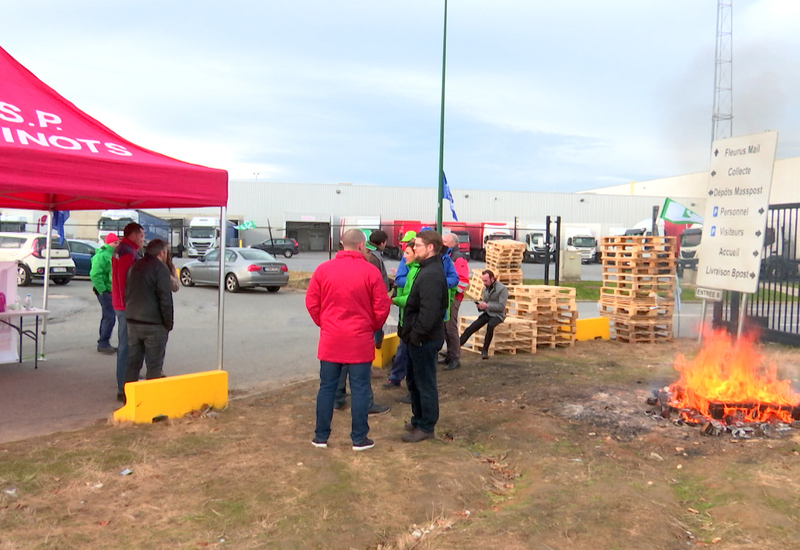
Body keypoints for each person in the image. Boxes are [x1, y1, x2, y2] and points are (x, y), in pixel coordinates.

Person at [306, 229, 392, 451]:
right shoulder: (370, 272)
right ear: (362, 245)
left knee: (326, 388)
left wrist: (324, 323)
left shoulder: (323, 270)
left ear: (341, 244)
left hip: (331, 338)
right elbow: (382, 306)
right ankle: (359, 438)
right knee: (360, 389)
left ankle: (320, 436)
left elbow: (312, 302)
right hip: (359, 340)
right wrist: (370, 326)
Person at [399, 229, 449, 443]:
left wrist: (416, 336)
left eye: (417, 245)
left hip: (424, 340)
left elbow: (429, 312)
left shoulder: (432, 274)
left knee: (424, 382)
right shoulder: (425, 269)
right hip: (416, 338)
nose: (413, 249)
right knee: (414, 380)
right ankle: (418, 419)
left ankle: (426, 426)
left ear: (430, 248)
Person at [123, 239, 174, 390]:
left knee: (133, 363)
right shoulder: (161, 269)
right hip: (153, 323)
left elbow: (127, 292)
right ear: (162, 253)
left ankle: (128, 399)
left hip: (133, 321)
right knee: (154, 366)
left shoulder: (135, 265)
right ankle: (151, 403)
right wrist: (168, 324)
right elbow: (165, 298)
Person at [112, 223, 144, 402]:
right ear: (133, 235)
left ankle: (126, 382)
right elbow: (124, 280)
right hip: (126, 306)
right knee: (126, 346)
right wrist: (130, 304)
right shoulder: (126, 252)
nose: (142, 240)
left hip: (123, 304)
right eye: (141, 236)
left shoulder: (123, 249)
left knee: (129, 345)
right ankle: (122, 386)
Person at [383, 239, 420, 390]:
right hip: (405, 317)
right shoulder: (409, 268)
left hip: (414, 320)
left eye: (407, 252)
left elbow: (413, 298)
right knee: (404, 349)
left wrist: (394, 300)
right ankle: (397, 378)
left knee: (411, 352)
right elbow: (400, 281)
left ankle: (409, 386)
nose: (404, 256)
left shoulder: (418, 271)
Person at [459, 269, 509, 360]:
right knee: (471, 328)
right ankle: (454, 348)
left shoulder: (502, 289)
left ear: (492, 279)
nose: (484, 283)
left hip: (498, 315)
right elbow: (485, 301)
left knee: (490, 326)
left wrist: (487, 306)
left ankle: (484, 350)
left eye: (486, 281)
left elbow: (501, 307)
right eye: (483, 281)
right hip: (488, 312)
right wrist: (480, 307)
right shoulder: (485, 288)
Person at [441, 233, 470, 370]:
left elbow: (463, 281)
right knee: (446, 327)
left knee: (450, 327)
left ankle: (455, 358)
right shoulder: (449, 256)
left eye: (444, 241)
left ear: (452, 243)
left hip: (453, 298)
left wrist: (453, 295)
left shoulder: (458, 258)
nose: (442, 243)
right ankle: (450, 355)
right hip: (447, 297)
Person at [90, 233, 120, 354]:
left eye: (118, 242)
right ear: (108, 243)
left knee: (110, 316)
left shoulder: (114, 254)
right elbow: (95, 274)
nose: (117, 245)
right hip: (105, 291)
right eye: (115, 243)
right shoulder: (102, 256)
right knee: (109, 316)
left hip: (112, 290)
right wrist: (102, 291)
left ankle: (104, 342)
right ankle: (103, 343)